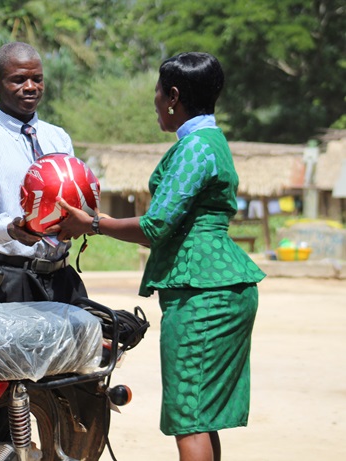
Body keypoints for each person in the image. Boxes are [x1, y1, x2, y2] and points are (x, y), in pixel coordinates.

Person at [48, 52, 266, 461]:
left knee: (189, 416)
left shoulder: (195, 149)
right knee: (200, 415)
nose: (154, 99)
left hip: (202, 292)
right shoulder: (211, 141)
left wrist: (92, 224)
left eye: (158, 90)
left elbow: (155, 226)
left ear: (174, 96)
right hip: (219, 286)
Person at [0, 41, 87, 306]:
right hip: (9, 281)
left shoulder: (59, 137)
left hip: (63, 278)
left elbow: (73, 197)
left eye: (37, 79)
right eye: (18, 80)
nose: (30, 87)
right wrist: (11, 229)